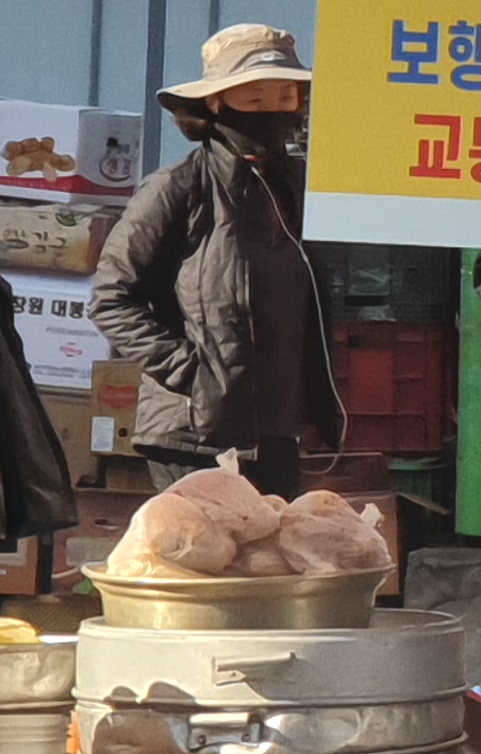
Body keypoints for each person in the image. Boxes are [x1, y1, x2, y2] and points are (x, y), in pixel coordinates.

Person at [89, 26, 342, 493]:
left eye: (286, 96)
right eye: (256, 97)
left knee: (275, 543)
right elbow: (111, 299)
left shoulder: (297, 188)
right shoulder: (176, 189)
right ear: (216, 103)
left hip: (277, 434)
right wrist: (193, 372)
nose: (273, 110)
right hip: (194, 433)